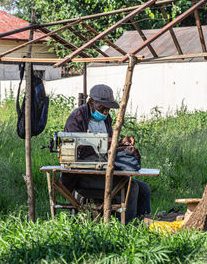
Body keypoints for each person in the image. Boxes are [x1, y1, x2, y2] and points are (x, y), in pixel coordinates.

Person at [60, 84, 151, 223]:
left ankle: (143, 224)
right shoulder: (76, 118)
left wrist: (122, 143)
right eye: (102, 107)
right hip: (82, 174)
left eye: (108, 108)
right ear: (91, 102)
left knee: (144, 189)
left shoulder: (106, 119)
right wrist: (111, 142)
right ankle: (128, 228)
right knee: (131, 188)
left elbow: (108, 146)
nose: (105, 111)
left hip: (102, 170)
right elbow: (79, 149)